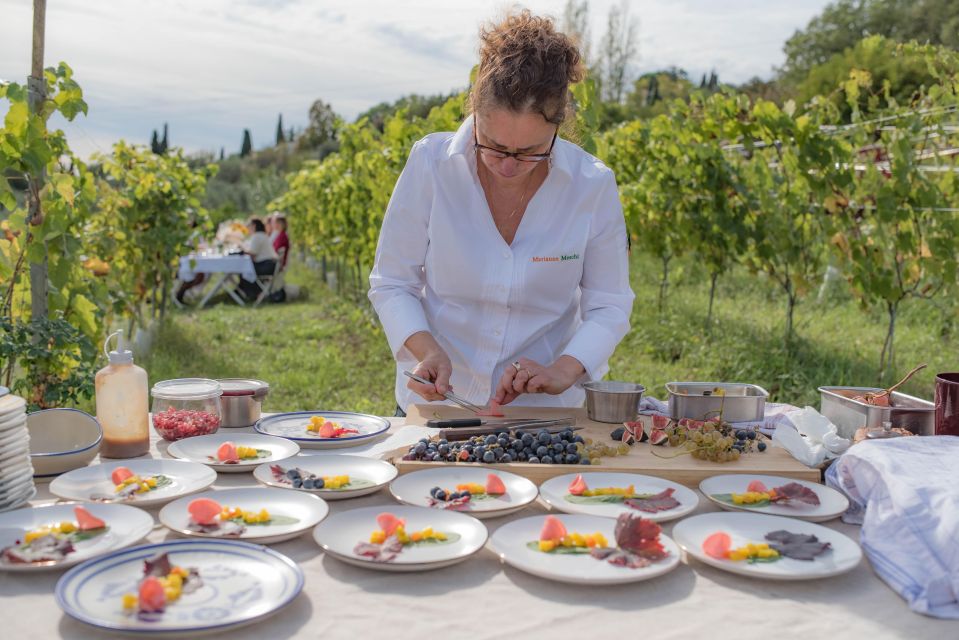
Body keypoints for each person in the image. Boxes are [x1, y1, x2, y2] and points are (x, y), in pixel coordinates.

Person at [368, 10, 634, 415]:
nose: (508, 166)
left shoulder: (591, 186)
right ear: (475, 111)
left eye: (529, 152)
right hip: (441, 404)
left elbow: (609, 305)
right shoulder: (431, 165)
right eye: (492, 145)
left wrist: (563, 369)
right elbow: (392, 282)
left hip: (547, 413)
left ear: (558, 128)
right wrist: (426, 349)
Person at [238, 217, 278, 300]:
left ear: (254, 226)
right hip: (270, 264)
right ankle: (250, 292)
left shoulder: (257, 236)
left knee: (244, 270)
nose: (248, 228)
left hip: (266, 266)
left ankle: (251, 293)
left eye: (249, 226)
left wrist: (242, 250)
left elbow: (253, 254)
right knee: (246, 269)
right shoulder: (262, 235)